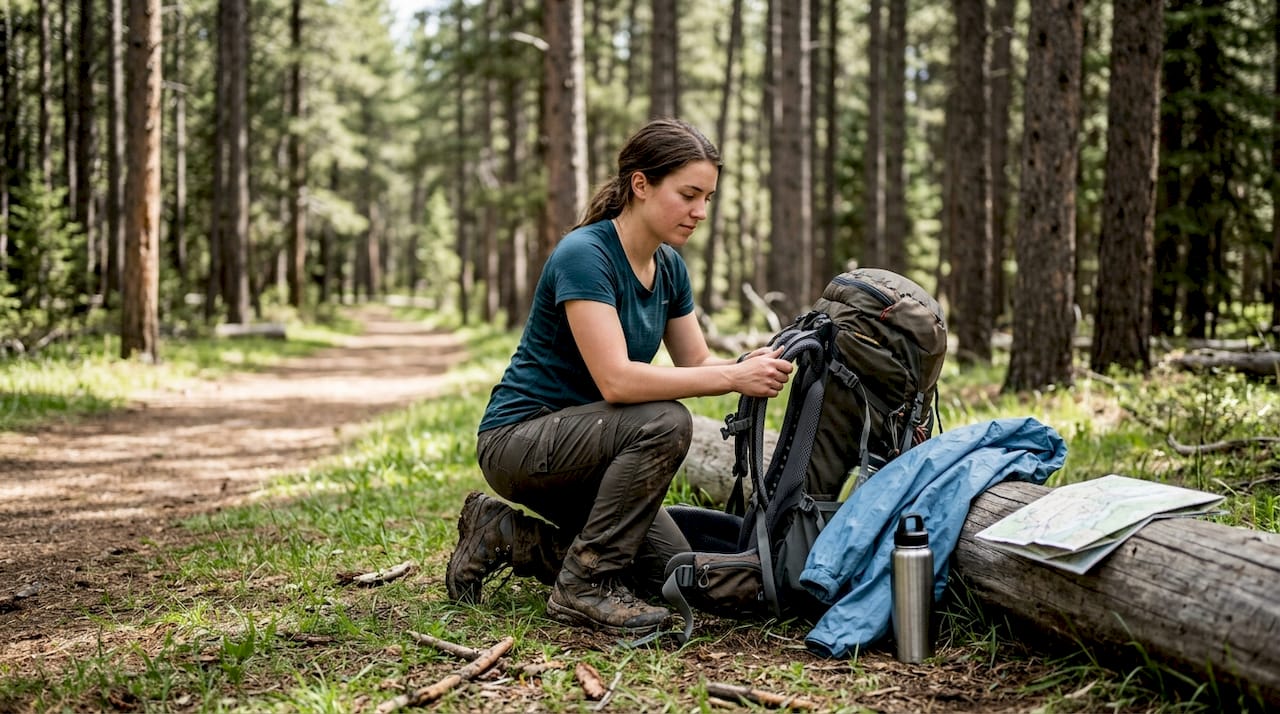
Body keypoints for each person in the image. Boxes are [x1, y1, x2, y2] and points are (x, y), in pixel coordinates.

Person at [445, 118, 793, 636]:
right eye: (688, 195)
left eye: (707, 198)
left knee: (673, 574)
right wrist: (732, 380)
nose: (699, 212)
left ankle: (505, 535)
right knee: (666, 421)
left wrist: (752, 361)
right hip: (521, 442)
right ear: (641, 184)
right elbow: (617, 383)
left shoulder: (669, 267)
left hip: (593, 449)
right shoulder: (586, 255)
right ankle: (584, 588)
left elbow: (695, 363)